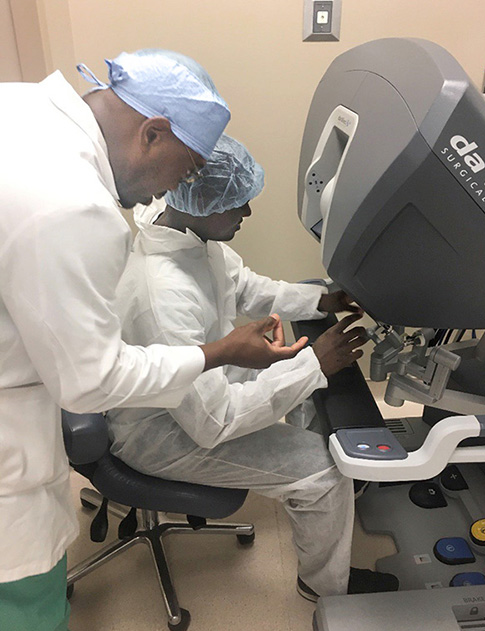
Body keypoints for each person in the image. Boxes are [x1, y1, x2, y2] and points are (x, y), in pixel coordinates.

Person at [0, 52, 306, 631]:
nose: (178, 189)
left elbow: (246, 285)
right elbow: (90, 382)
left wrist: (311, 302)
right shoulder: (75, 207)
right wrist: (223, 353)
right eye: (186, 170)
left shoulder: (23, 105)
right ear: (153, 133)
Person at [107, 134, 399, 601]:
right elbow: (212, 422)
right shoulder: (163, 296)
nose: (246, 214)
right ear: (202, 203)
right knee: (323, 471)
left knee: (300, 374)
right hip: (161, 431)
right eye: (238, 204)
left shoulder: (182, 232)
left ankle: (327, 497)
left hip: (195, 390)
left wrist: (319, 298)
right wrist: (314, 365)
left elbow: (242, 285)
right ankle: (324, 587)